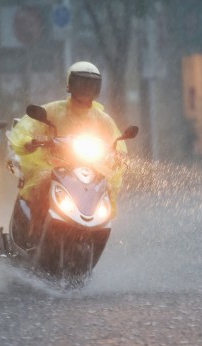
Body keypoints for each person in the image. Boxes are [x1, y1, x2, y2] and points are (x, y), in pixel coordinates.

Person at [7, 61, 128, 240]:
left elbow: (117, 144)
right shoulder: (53, 110)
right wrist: (30, 141)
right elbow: (27, 127)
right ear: (70, 84)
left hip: (90, 170)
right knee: (42, 183)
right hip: (52, 167)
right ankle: (35, 231)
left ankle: (96, 233)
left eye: (91, 85)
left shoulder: (103, 119)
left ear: (98, 88)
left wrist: (118, 156)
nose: (86, 89)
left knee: (105, 189)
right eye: (81, 83)